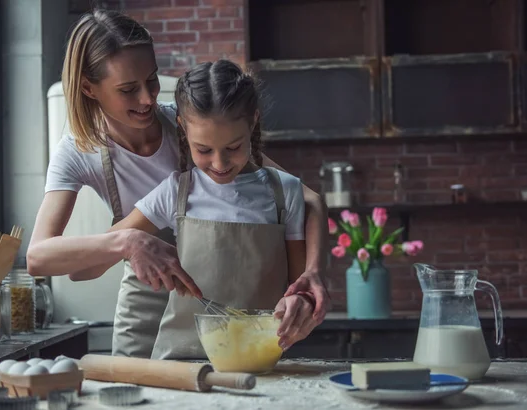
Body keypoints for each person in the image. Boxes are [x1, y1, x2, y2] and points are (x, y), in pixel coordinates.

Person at [27, 9, 329, 358]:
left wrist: (313, 274)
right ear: (88, 88)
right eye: (128, 89)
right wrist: (127, 240)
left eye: (152, 80)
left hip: (209, 308)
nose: (147, 99)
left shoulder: (193, 125)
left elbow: (308, 200)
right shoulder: (78, 152)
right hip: (145, 306)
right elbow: (40, 258)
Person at [108, 59, 313, 358]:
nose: (219, 164)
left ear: (253, 122)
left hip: (261, 360)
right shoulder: (174, 193)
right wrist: (131, 243)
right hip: (181, 364)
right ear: (182, 128)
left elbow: (299, 286)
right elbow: (104, 247)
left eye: (233, 148)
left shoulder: (286, 193)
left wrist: (300, 303)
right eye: (203, 150)